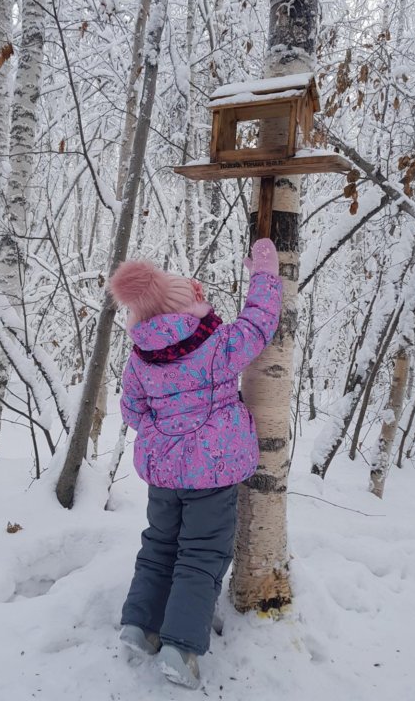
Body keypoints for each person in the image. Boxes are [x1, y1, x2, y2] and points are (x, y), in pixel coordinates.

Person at [108, 238, 283, 689]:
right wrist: (263, 273)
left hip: (164, 473)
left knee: (159, 545)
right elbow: (260, 323)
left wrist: (163, 429)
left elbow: (131, 412)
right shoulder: (218, 346)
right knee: (201, 554)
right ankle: (180, 648)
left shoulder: (139, 357)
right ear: (189, 309)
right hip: (213, 470)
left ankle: (138, 625)